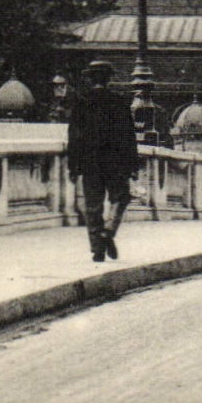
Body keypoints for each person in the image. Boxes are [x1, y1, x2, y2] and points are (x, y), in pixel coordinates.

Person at [66, 60, 140, 262]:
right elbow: (128, 136)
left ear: (90, 79)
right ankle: (108, 231)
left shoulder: (81, 103)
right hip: (115, 162)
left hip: (90, 163)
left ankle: (97, 247)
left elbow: (73, 137)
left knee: (92, 205)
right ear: (109, 79)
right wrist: (133, 165)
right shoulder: (119, 102)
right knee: (121, 197)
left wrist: (73, 166)